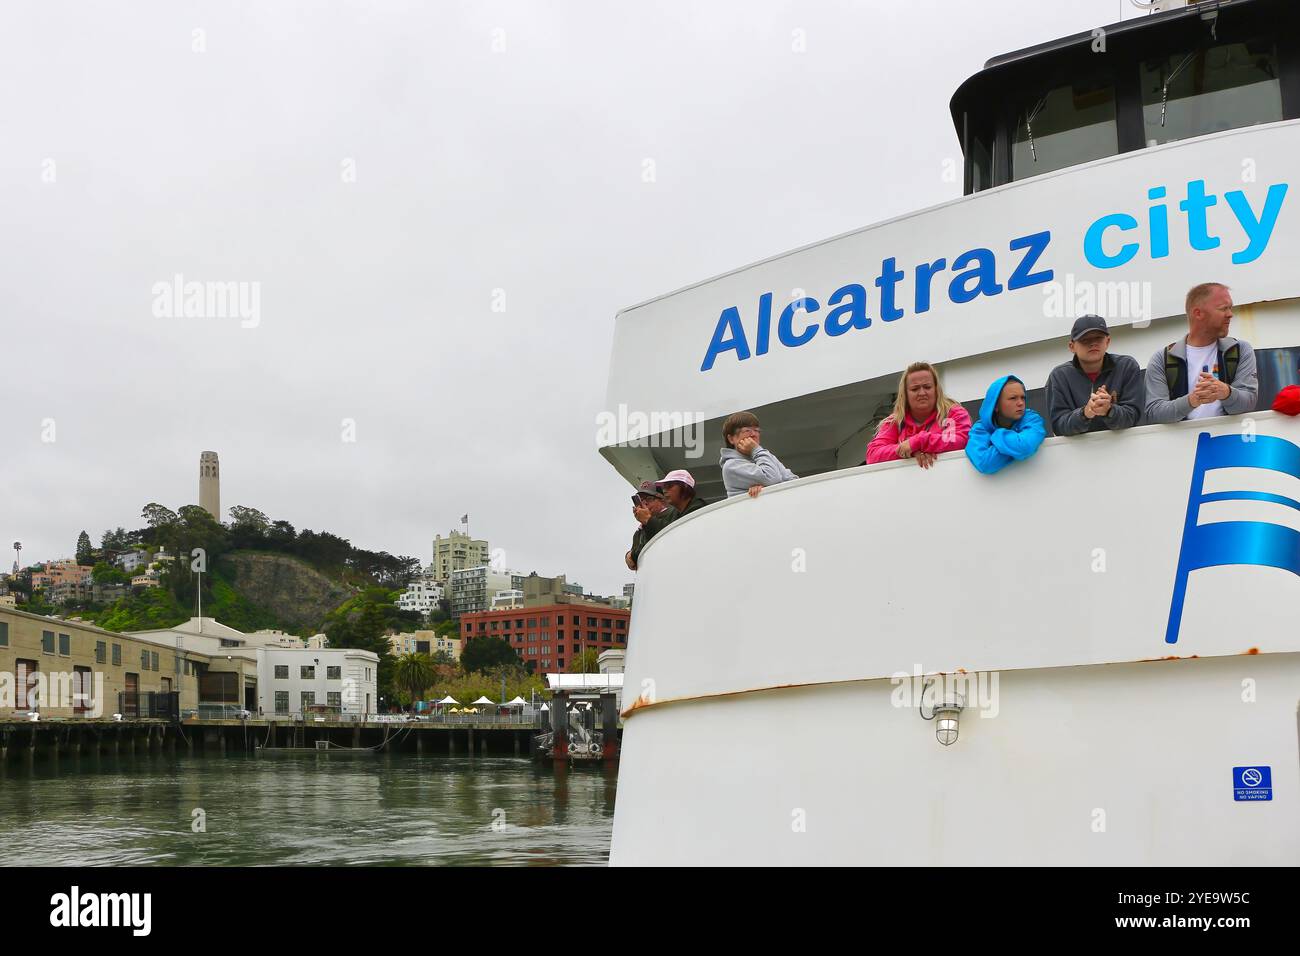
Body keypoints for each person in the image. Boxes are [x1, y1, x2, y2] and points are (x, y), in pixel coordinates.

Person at [1144, 283, 1259, 423]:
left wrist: (1226, 392)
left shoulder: (1241, 349)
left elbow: (1249, 403)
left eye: (1230, 308)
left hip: (1230, 442)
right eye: (1223, 309)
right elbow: (1155, 413)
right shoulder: (1161, 359)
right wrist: (1193, 400)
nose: (1230, 314)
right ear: (1198, 313)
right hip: (1180, 444)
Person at [1045, 315, 1145, 436]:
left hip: (1123, 449)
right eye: (1085, 340)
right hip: (1077, 453)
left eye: (1098, 338)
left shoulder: (1127, 366)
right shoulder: (1059, 376)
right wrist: (1085, 413)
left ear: (1107, 341)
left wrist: (1109, 410)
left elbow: (1133, 416)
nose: (1093, 343)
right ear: (1072, 346)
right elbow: (1058, 426)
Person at [866, 361, 971, 468]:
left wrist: (919, 442)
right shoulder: (895, 421)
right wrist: (908, 452)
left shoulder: (953, 413)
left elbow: (961, 441)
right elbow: (873, 455)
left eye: (927, 387)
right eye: (915, 389)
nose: (922, 393)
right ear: (905, 394)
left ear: (936, 389)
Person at [965, 375, 1047, 474]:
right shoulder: (980, 428)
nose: (1021, 403)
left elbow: (1024, 446)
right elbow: (984, 463)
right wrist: (1014, 448)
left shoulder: (1033, 419)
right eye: (1013, 398)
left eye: (1023, 397)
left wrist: (997, 434)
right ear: (995, 406)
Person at [719, 412, 797, 497]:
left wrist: (765, 488)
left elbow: (793, 480)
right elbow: (772, 478)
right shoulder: (731, 465)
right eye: (747, 430)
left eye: (757, 430)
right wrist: (756, 450)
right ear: (731, 439)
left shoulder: (764, 455)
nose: (754, 434)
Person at [636, 469, 708, 548]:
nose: (664, 490)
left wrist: (648, 519)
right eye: (664, 487)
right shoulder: (674, 514)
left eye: (669, 486)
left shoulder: (698, 508)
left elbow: (677, 535)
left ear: (685, 486)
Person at [625, 481, 672, 571]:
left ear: (662, 499)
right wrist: (628, 556)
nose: (645, 503)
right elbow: (633, 563)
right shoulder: (639, 532)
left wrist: (631, 555)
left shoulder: (673, 514)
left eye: (649, 498)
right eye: (641, 500)